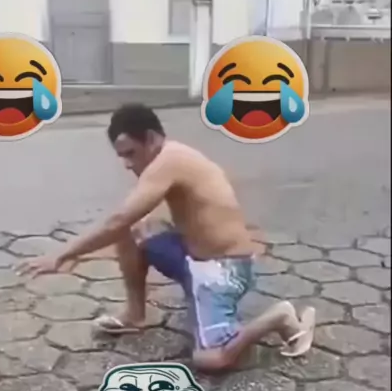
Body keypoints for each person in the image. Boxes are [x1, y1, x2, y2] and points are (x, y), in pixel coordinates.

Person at [19, 103, 315, 373]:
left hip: (223, 271)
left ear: (150, 138)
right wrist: (80, 255)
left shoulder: (170, 162)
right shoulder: (169, 156)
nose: (127, 164)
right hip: (195, 257)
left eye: (130, 153)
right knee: (134, 230)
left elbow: (117, 219)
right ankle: (135, 315)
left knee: (210, 360)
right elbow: (126, 222)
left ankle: (280, 318)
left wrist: (62, 254)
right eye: (121, 156)